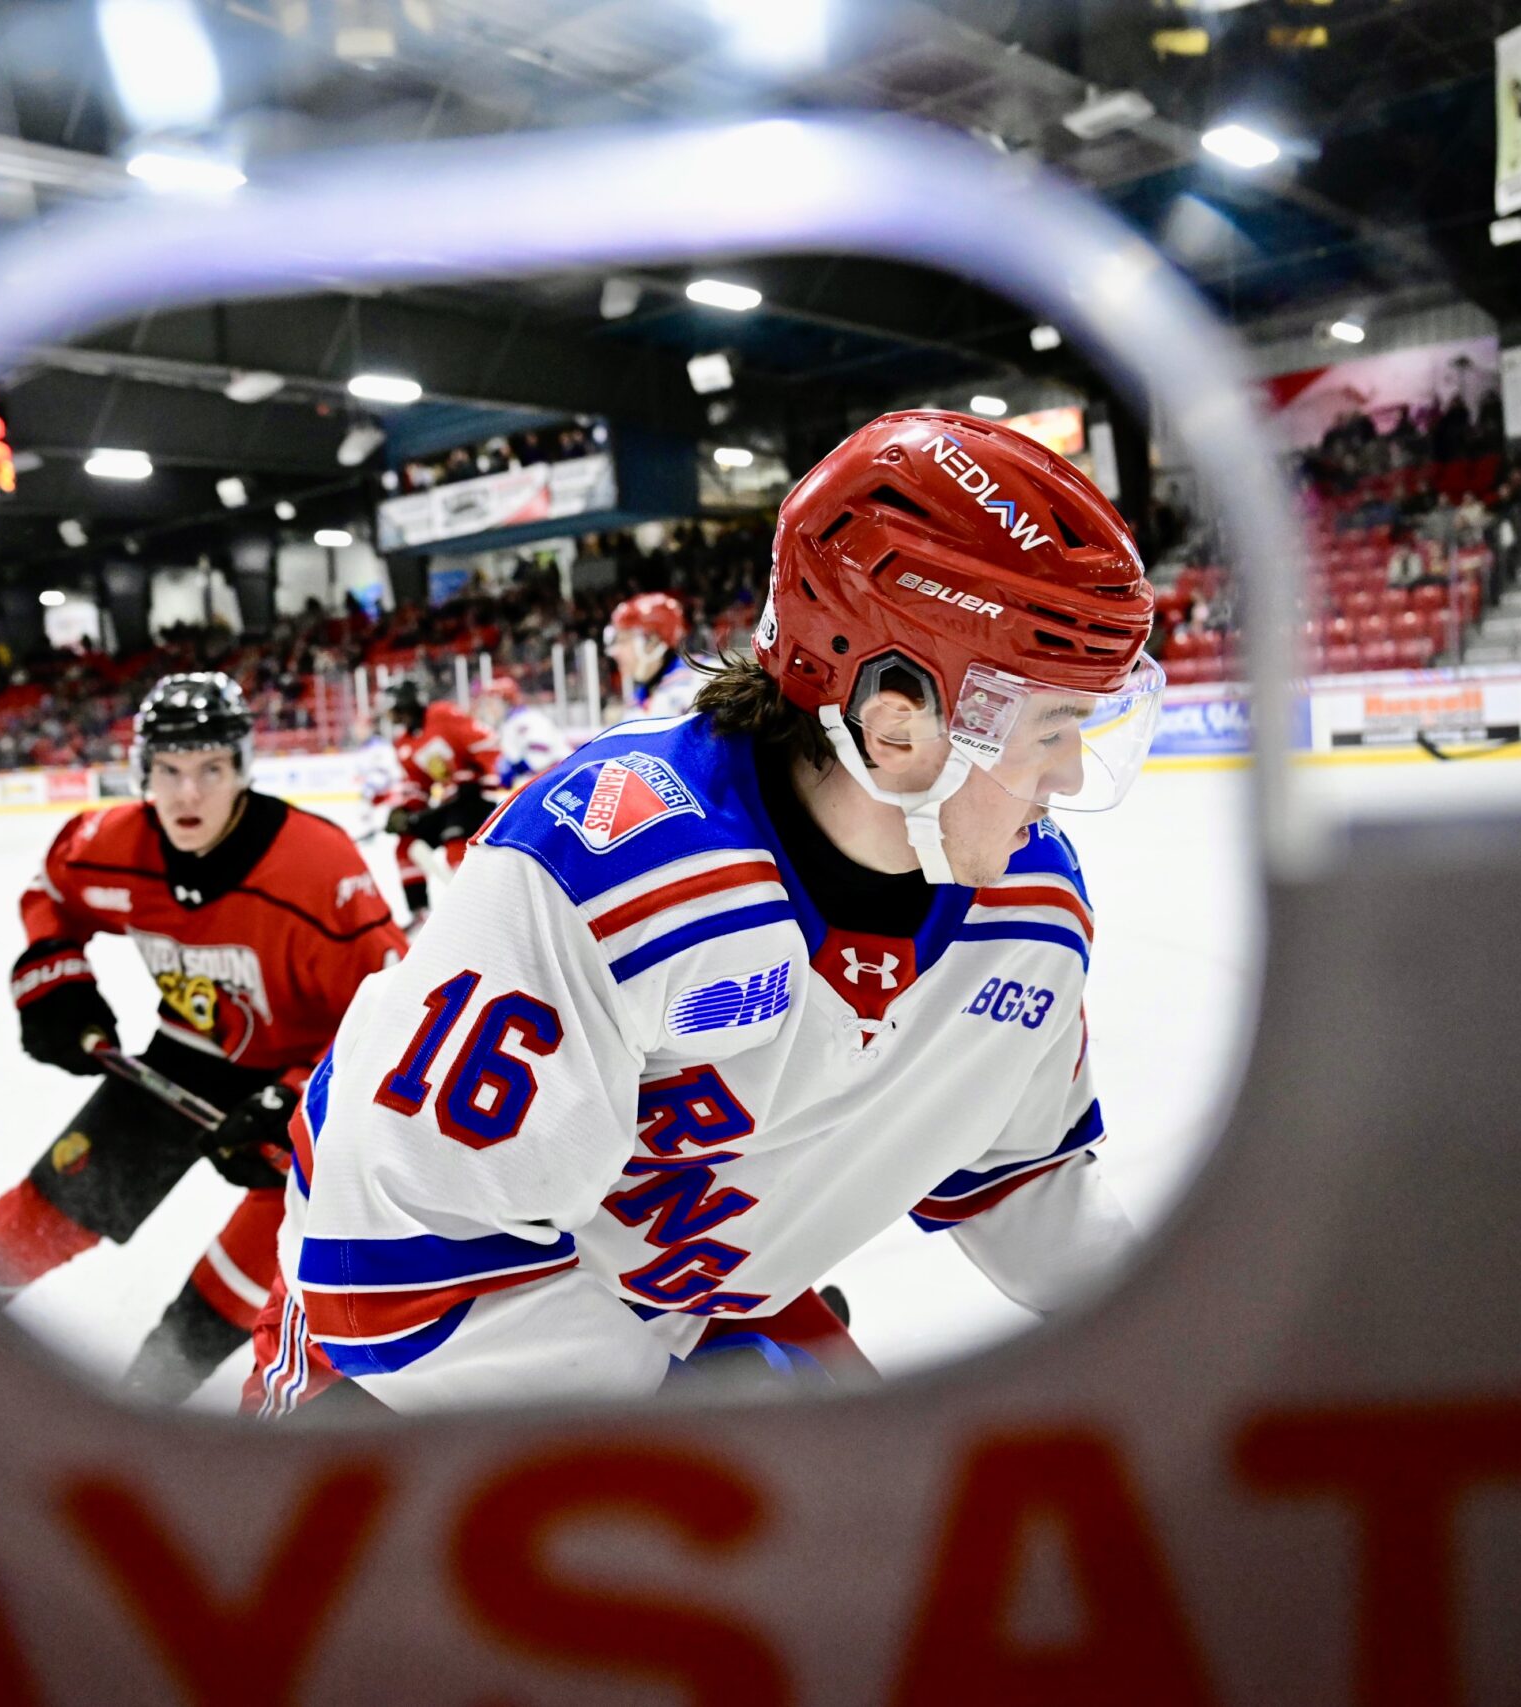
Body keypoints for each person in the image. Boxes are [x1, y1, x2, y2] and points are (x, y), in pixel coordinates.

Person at [248, 409, 1164, 1415]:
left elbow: (1020, 1172)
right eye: (1052, 728)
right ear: (896, 725)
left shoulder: (1032, 909)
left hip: (688, 1304)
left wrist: (1185, 1338)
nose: (1070, 776)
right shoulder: (603, 874)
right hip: (395, 1362)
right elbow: (392, 1274)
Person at [0, 673, 408, 1402]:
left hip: (302, 1088)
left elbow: (399, 1014)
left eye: (211, 769)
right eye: (167, 770)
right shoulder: (111, 843)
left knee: (239, 1281)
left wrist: (302, 1097)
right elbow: (50, 891)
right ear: (143, 773)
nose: (187, 793)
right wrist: (56, 978)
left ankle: (148, 1402)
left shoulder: (319, 870)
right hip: (184, 1058)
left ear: (243, 769)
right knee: (39, 1219)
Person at [381, 679, 505, 914]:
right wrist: (406, 811)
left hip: (477, 797)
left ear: (405, 705)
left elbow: (488, 745)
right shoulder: (404, 744)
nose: (389, 715)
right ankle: (420, 914)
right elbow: (418, 786)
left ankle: (476, 908)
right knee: (406, 845)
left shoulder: (442, 715)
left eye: (392, 708)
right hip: (452, 803)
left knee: (455, 838)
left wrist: (488, 782)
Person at [605, 591, 707, 721]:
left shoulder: (701, 681)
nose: (615, 652)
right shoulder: (636, 701)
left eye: (623, 641)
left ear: (652, 641)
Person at [472, 676, 574, 790]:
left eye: (491, 702)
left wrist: (510, 773)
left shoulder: (527, 720)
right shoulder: (510, 723)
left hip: (558, 782)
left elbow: (539, 760)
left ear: (504, 701)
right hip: (546, 781)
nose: (488, 708)